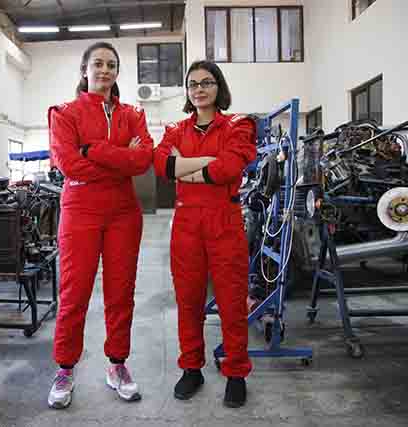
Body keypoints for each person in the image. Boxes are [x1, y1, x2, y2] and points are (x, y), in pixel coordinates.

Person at [47, 42, 153, 409]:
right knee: (74, 292)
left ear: (117, 72)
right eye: (98, 63)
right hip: (80, 211)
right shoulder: (64, 114)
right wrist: (122, 159)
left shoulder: (133, 114)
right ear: (85, 70)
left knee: (121, 292)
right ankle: (65, 368)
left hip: (124, 212)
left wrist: (94, 150)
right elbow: (69, 165)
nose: (104, 70)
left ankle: (117, 365)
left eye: (111, 64)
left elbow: (144, 160)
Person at [153, 60, 257, 408]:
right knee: (188, 301)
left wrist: (186, 169)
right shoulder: (174, 129)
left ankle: (236, 373)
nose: (199, 89)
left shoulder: (239, 125)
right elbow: (162, 165)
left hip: (224, 221)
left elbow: (231, 166)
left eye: (207, 82)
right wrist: (208, 162)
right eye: (193, 84)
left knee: (231, 301)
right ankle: (191, 368)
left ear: (218, 87)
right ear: (187, 91)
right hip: (186, 225)